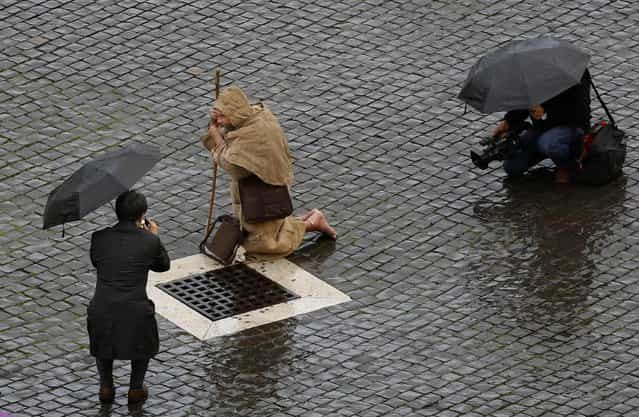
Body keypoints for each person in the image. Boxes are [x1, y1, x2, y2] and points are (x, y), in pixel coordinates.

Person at [200, 86, 337, 261]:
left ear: (234, 113)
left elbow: (233, 166)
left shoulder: (253, 133)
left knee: (265, 244)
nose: (218, 120)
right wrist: (216, 123)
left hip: (264, 188)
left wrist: (216, 138)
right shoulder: (254, 117)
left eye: (222, 116)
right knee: (265, 230)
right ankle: (310, 220)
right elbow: (232, 141)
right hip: (257, 185)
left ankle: (311, 223)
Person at [87, 190, 170, 404]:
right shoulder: (148, 241)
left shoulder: (99, 238)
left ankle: (106, 387)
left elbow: (97, 262)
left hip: (102, 309)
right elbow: (163, 266)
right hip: (136, 311)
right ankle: (135, 388)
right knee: (142, 337)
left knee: (104, 341)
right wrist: (152, 237)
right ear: (142, 214)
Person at [493, 70, 591, 183]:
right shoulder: (534, 73)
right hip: (542, 128)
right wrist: (508, 122)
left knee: (548, 144)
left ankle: (570, 166)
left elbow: (580, 109)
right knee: (511, 167)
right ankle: (545, 151)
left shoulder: (577, 71)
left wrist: (545, 111)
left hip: (572, 126)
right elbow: (526, 102)